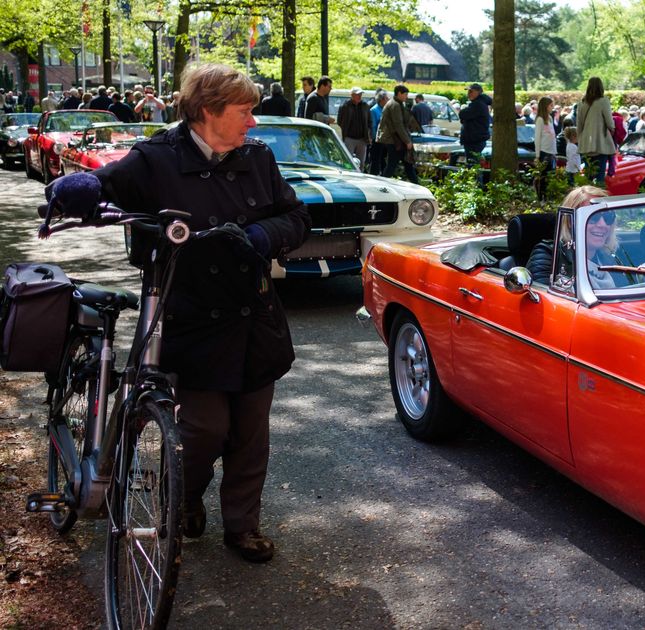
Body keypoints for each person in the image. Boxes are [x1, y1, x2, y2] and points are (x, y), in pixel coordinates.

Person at [48, 63, 311, 563]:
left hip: (254, 317)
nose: (253, 122)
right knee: (204, 429)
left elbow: (296, 217)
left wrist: (260, 236)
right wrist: (72, 191)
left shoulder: (256, 159)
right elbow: (104, 183)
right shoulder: (155, 159)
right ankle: (184, 497)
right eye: (244, 111)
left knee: (251, 436)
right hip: (190, 320)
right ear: (208, 111)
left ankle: (242, 527)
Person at [525, 186, 609, 286]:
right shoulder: (548, 255)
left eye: (608, 216)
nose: (603, 224)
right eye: (593, 216)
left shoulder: (611, 257)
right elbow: (543, 297)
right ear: (570, 221)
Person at [575, 77, 616, 185]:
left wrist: (581, 142)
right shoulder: (603, 101)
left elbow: (579, 126)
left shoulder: (582, 103)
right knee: (599, 178)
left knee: (588, 177)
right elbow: (610, 124)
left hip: (585, 145)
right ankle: (598, 200)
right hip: (600, 144)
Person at [376, 84, 421, 183]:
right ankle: (382, 185)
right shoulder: (395, 105)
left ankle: (416, 184)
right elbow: (398, 125)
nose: (407, 96)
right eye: (405, 94)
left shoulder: (396, 104)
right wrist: (407, 141)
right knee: (396, 165)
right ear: (399, 93)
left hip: (394, 139)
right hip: (394, 140)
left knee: (403, 164)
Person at [337, 87, 372, 170]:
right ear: (352, 95)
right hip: (349, 138)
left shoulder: (365, 106)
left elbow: (369, 121)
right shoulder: (345, 106)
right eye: (357, 94)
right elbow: (339, 121)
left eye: (360, 94)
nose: (359, 96)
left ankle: (360, 177)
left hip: (362, 139)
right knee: (347, 161)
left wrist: (369, 134)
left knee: (361, 163)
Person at [458, 83, 492, 165]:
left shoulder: (478, 104)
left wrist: (463, 116)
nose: (468, 94)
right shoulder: (478, 103)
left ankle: (475, 178)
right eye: (468, 91)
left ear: (478, 92)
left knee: (473, 165)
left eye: (471, 91)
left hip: (474, 140)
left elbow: (463, 114)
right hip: (474, 139)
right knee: (473, 164)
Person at [533, 96, 556, 201]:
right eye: (551, 105)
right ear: (545, 106)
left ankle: (547, 196)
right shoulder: (540, 120)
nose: (553, 107)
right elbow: (537, 139)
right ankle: (541, 197)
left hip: (551, 152)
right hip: (544, 152)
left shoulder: (550, 119)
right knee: (543, 176)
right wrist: (537, 155)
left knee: (549, 176)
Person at [367, 90, 390, 175]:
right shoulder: (374, 110)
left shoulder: (385, 109)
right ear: (382, 99)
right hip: (377, 140)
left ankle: (384, 176)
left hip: (385, 139)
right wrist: (374, 139)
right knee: (376, 160)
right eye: (387, 98)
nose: (388, 100)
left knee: (383, 160)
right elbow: (372, 126)